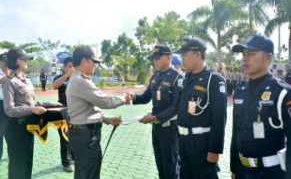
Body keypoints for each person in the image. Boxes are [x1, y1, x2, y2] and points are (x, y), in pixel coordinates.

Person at [230, 35, 291, 179]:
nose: (244, 58)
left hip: (270, 172)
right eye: (243, 54)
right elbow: (236, 133)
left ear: (268, 58)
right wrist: (234, 167)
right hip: (242, 170)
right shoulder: (240, 91)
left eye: (251, 54)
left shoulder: (283, 93)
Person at [66, 46, 130, 179]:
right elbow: (104, 102)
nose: (95, 66)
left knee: (83, 173)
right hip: (86, 137)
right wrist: (123, 99)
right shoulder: (81, 81)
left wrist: (106, 119)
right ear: (84, 61)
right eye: (93, 62)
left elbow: (86, 110)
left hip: (81, 135)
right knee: (90, 173)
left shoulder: (76, 78)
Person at [3, 47, 62, 179]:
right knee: (17, 165)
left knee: (27, 161)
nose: (26, 61)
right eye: (23, 59)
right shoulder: (9, 82)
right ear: (15, 61)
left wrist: (49, 104)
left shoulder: (26, 80)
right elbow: (9, 109)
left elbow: (31, 103)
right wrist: (32, 110)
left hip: (29, 126)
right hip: (15, 128)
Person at [128, 45, 183, 179]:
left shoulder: (177, 77)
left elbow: (176, 106)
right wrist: (134, 97)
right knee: (161, 167)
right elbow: (146, 97)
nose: (155, 61)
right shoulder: (156, 76)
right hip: (157, 128)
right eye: (154, 58)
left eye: (158, 58)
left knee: (171, 169)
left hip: (170, 129)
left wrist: (154, 117)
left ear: (169, 57)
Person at [175, 38, 227, 179]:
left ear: (198, 55)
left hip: (202, 144)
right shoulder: (188, 77)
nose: (183, 60)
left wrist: (214, 150)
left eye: (185, 55)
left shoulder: (214, 80)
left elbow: (219, 117)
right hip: (184, 142)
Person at [52, 57, 74, 172]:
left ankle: (73, 157)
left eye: (73, 66)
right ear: (65, 67)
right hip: (63, 111)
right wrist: (66, 75)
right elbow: (54, 86)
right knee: (64, 137)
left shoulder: (78, 78)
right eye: (70, 66)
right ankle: (66, 163)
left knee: (75, 135)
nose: (72, 69)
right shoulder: (60, 78)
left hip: (76, 111)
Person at [0, 53, 9, 161]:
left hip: (10, 104)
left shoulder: (12, 72)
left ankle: (12, 150)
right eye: (4, 61)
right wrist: (8, 75)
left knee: (11, 128)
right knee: (0, 130)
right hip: (0, 104)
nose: (6, 64)